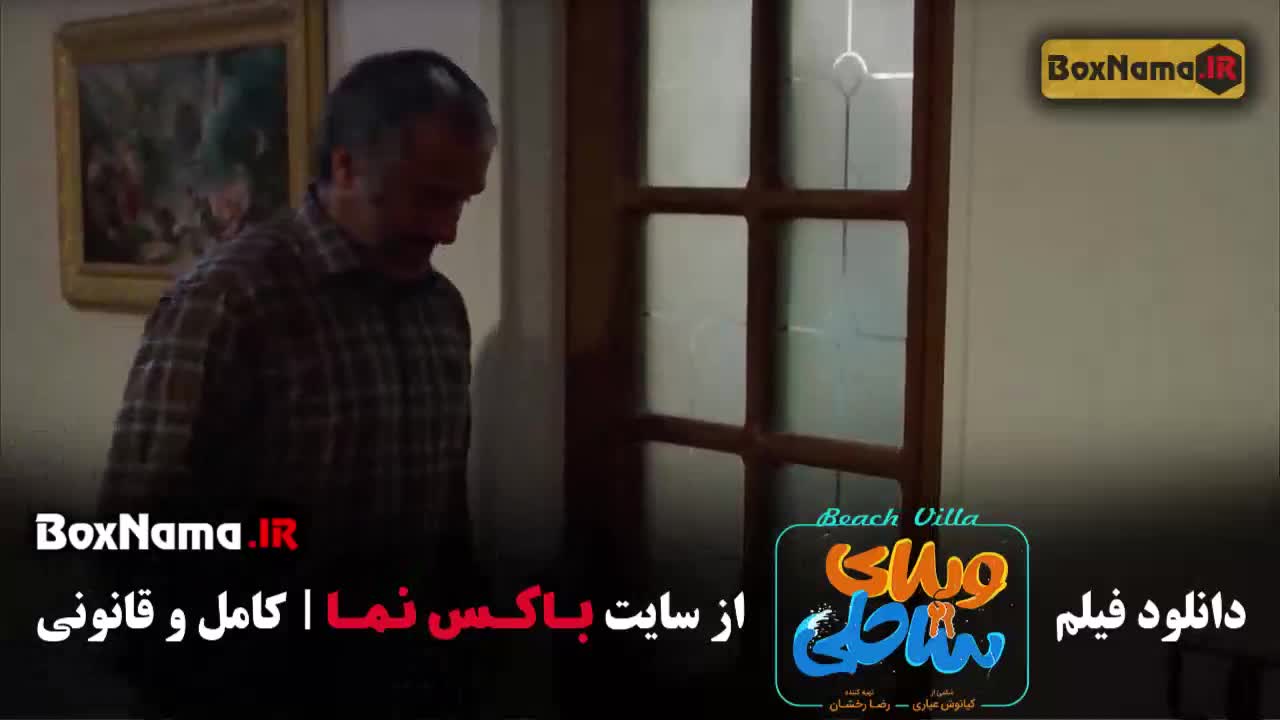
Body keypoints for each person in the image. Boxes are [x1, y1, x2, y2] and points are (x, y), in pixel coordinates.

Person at [97, 49, 495, 718]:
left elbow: (444, 517)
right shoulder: (231, 300)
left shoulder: (440, 310)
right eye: (428, 196)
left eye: (462, 200)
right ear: (346, 167)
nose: (448, 229)